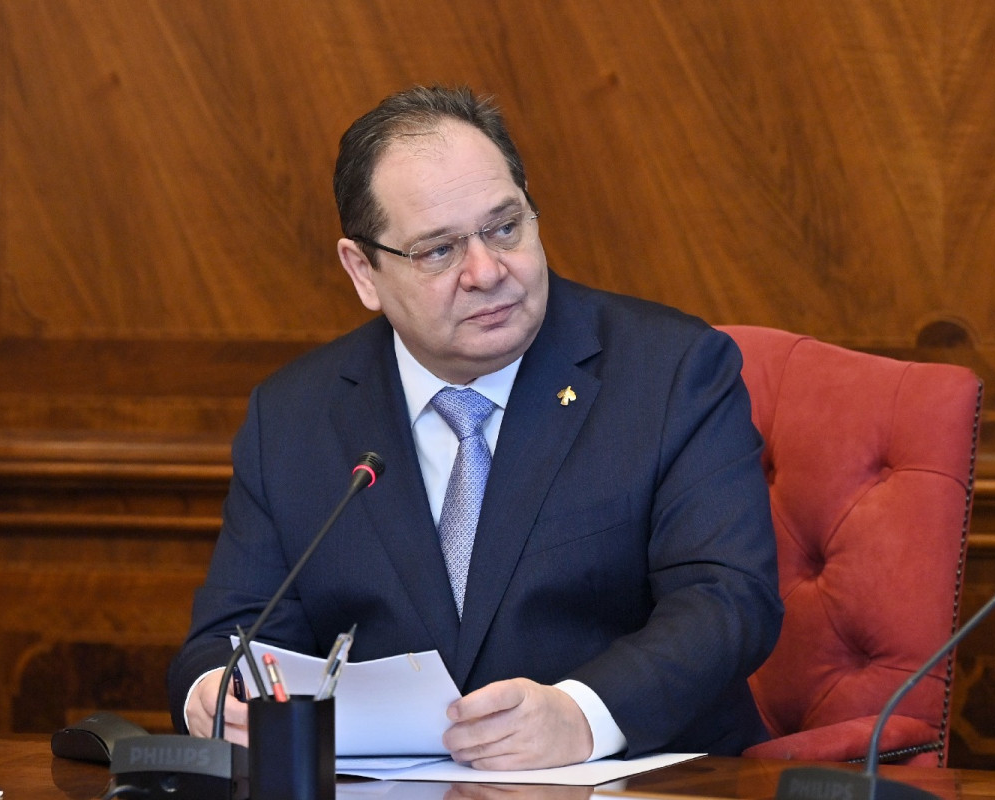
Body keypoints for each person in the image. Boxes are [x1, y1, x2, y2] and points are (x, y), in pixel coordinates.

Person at [168, 85, 783, 770]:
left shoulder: (670, 371)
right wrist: (214, 694)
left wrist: (583, 714)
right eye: (438, 250)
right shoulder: (293, 417)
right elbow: (234, 636)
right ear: (364, 271)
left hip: (637, 781)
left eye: (504, 228)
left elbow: (728, 599)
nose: (487, 271)